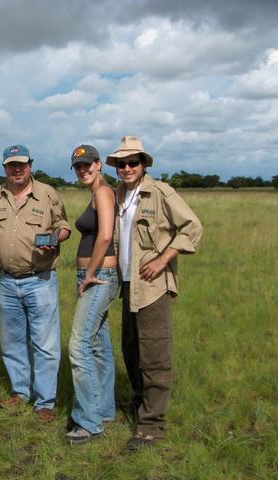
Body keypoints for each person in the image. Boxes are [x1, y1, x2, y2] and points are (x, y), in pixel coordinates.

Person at [105, 136, 203, 451]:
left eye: (134, 162)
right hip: (128, 284)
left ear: (144, 164)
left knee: (155, 355)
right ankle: (139, 404)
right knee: (131, 350)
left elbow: (192, 227)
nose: (127, 168)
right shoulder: (119, 194)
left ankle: (152, 426)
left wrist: (162, 260)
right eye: (122, 163)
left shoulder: (161, 193)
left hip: (153, 287)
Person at [0, 144, 71, 423]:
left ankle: (45, 402)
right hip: (7, 282)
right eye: (11, 165)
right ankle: (20, 392)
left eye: (21, 164)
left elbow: (64, 225)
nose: (16, 170)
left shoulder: (47, 193)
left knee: (45, 344)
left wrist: (57, 238)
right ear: (4, 167)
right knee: (12, 342)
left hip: (40, 280)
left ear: (30, 165)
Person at [66, 145, 119, 444]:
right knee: (99, 344)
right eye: (78, 166)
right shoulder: (97, 192)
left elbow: (106, 235)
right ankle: (104, 409)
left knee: (79, 345)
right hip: (96, 274)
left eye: (88, 165)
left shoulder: (103, 192)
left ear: (99, 165)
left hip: (100, 276)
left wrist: (89, 274)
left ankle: (88, 421)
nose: (83, 170)